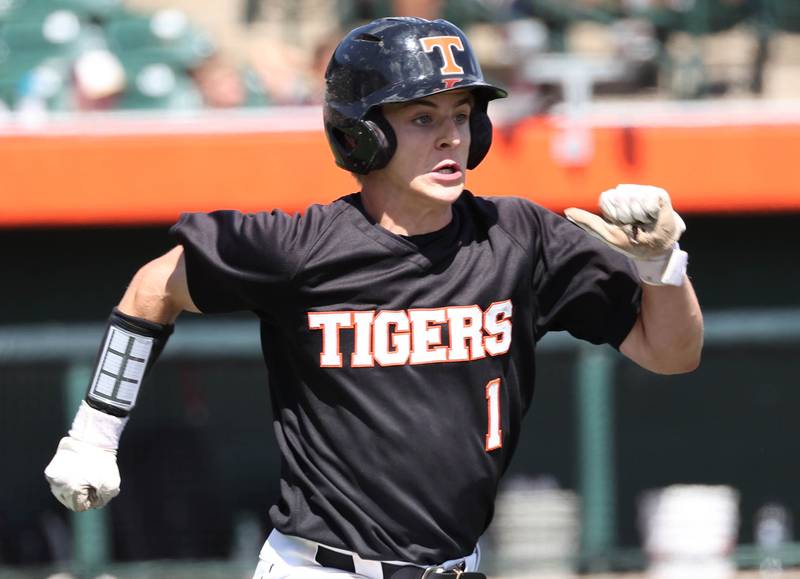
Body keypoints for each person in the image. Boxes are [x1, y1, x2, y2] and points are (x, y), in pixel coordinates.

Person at [43, 16, 703, 579]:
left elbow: (670, 353)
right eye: (422, 117)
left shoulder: (519, 236)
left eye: (462, 116)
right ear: (363, 133)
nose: (451, 136)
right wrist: (96, 432)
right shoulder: (302, 247)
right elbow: (154, 284)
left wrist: (661, 266)